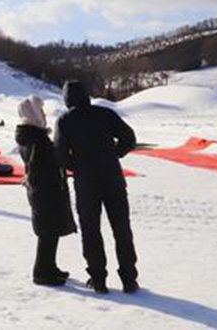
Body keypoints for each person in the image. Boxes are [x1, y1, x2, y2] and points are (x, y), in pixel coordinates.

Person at [55, 80, 138, 294]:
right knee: (122, 229)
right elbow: (129, 138)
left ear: (67, 99)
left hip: (86, 182)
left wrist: (78, 165)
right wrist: (114, 154)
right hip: (113, 178)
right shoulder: (104, 114)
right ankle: (129, 279)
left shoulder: (65, 121)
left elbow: (60, 155)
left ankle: (98, 280)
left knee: (91, 231)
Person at [15, 96, 76, 287]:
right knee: (48, 233)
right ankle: (42, 272)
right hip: (46, 192)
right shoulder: (37, 139)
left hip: (44, 191)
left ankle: (50, 267)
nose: (44, 115)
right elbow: (39, 168)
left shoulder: (33, 136)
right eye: (41, 112)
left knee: (50, 232)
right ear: (33, 115)